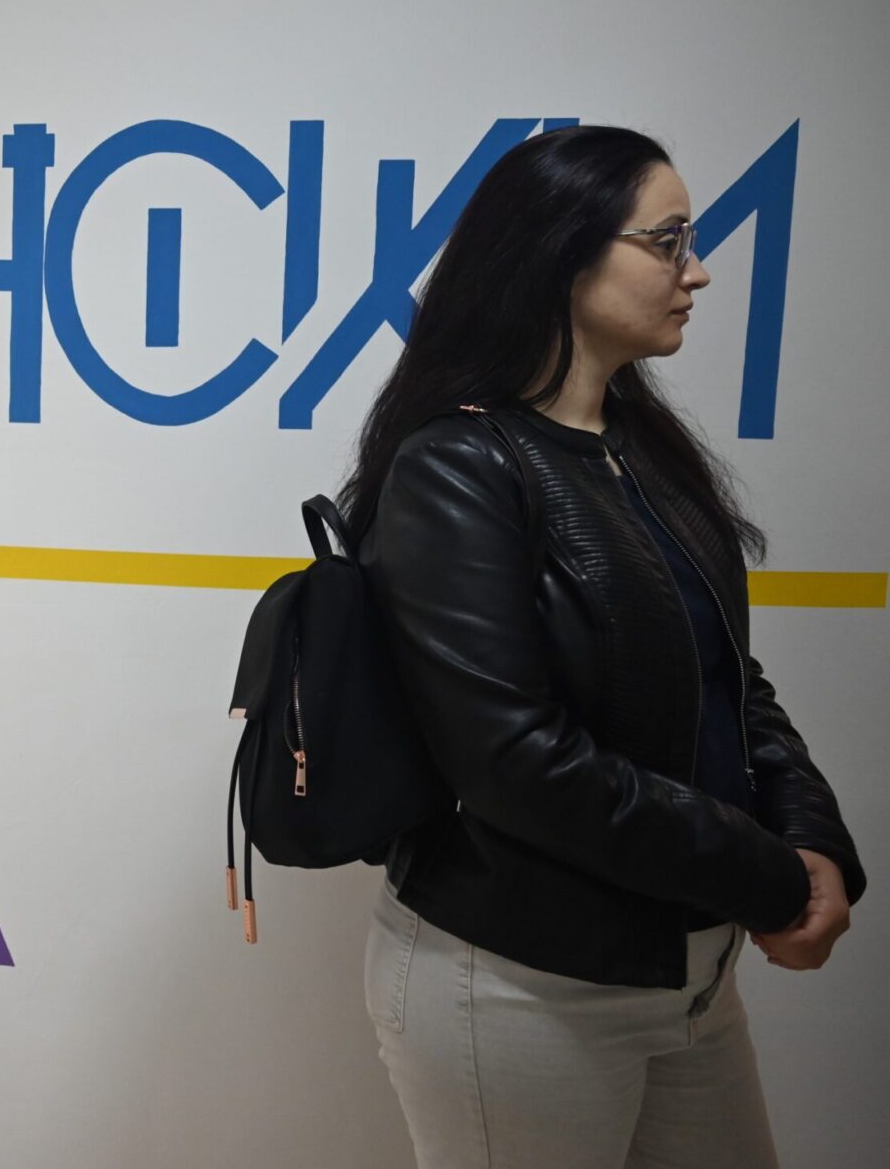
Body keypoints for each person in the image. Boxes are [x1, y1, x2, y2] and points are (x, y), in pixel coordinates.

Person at [337, 124, 866, 1168]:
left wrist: (812, 838)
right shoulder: (456, 468)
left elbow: (728, 676)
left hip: (690, 971)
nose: (695, 272)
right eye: (667, 241)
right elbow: (514, 761)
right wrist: (765, 876)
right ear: (559, 252)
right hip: (519, 988)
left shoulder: (641, 449)